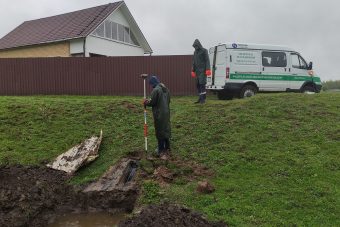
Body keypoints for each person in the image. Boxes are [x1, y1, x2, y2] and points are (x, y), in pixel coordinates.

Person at [144, 75, 171, 156]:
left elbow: (152, 102)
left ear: (153, 83)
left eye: (151, 84)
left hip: (159, 114)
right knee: (165, 129)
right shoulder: (166, 89)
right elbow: (168, 100)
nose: (151, 86)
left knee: (160, 131)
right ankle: (167, 147)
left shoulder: (156, 90)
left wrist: (146, 102)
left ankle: (161, 149)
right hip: (166, 113)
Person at [191, 39, 211, 104]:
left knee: (202, 84)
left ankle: (203, 99)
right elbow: (194, 61)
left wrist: (208, 69)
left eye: (196, 46)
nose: (195, 47)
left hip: (203, 70)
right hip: (197, 71)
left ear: (199, 45)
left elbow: (207, 60)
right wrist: (192, 70)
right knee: (197, 85)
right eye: (194, 46)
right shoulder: (195, 52)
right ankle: (200, 98)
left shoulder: (204, 51)